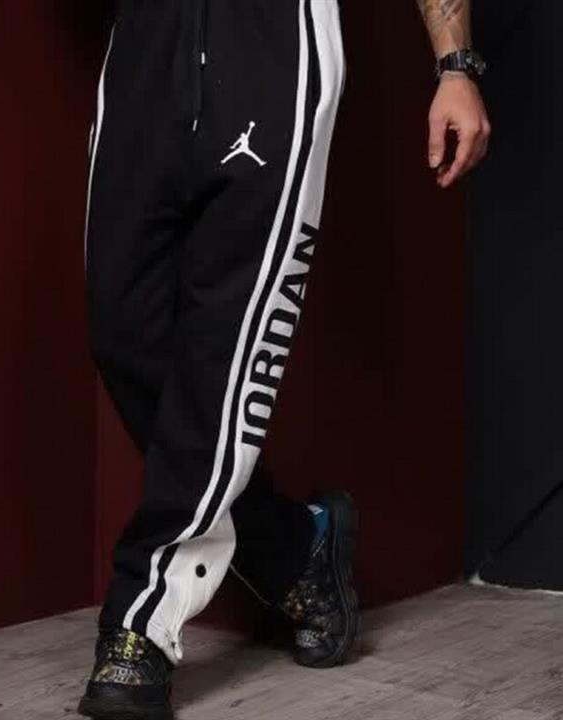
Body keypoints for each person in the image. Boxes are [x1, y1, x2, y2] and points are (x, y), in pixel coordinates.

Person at [78, 1, 490, 718]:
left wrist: (454, 67)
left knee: (225, 351)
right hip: (144, 44)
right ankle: (292, 548)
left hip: (274, 49)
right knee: (123, 334)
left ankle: (140, 623)